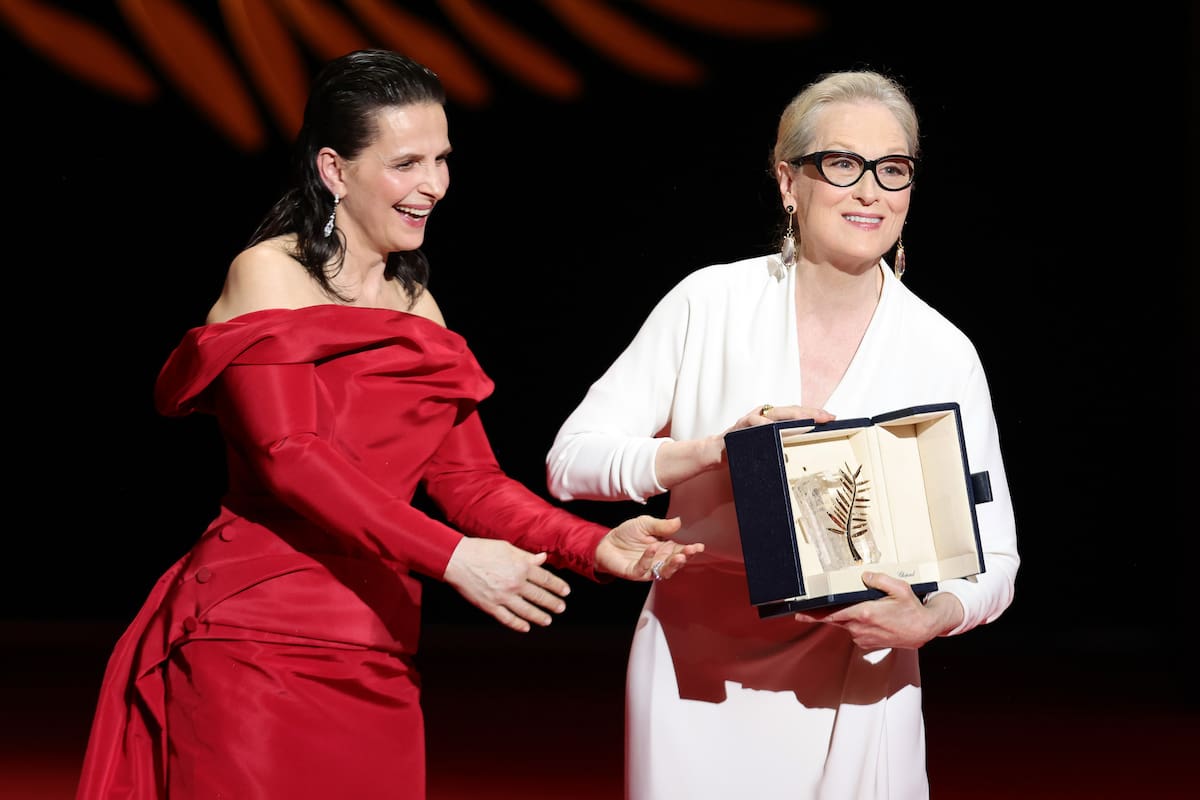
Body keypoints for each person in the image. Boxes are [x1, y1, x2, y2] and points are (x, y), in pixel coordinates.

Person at [75, 48, 703, 800]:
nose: (434, 184)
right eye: (406, 163)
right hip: (254, 635)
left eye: (441, 159)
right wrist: (453, 557)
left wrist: (592, 545)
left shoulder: (419, 309)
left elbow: (469, 481)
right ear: (335, 171)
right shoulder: (269, 273)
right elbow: (290, 456)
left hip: (377, 644)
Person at [545, 69, 1019, 799]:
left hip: (860, 679)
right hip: (694, 672)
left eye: (892, 169)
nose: (870, 191)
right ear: (788, 181)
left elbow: (994, 559)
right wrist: (713, 452)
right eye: (843, 163)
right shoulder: (710, 303)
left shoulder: (942, 350)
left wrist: (929, 617)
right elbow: (571, 460)